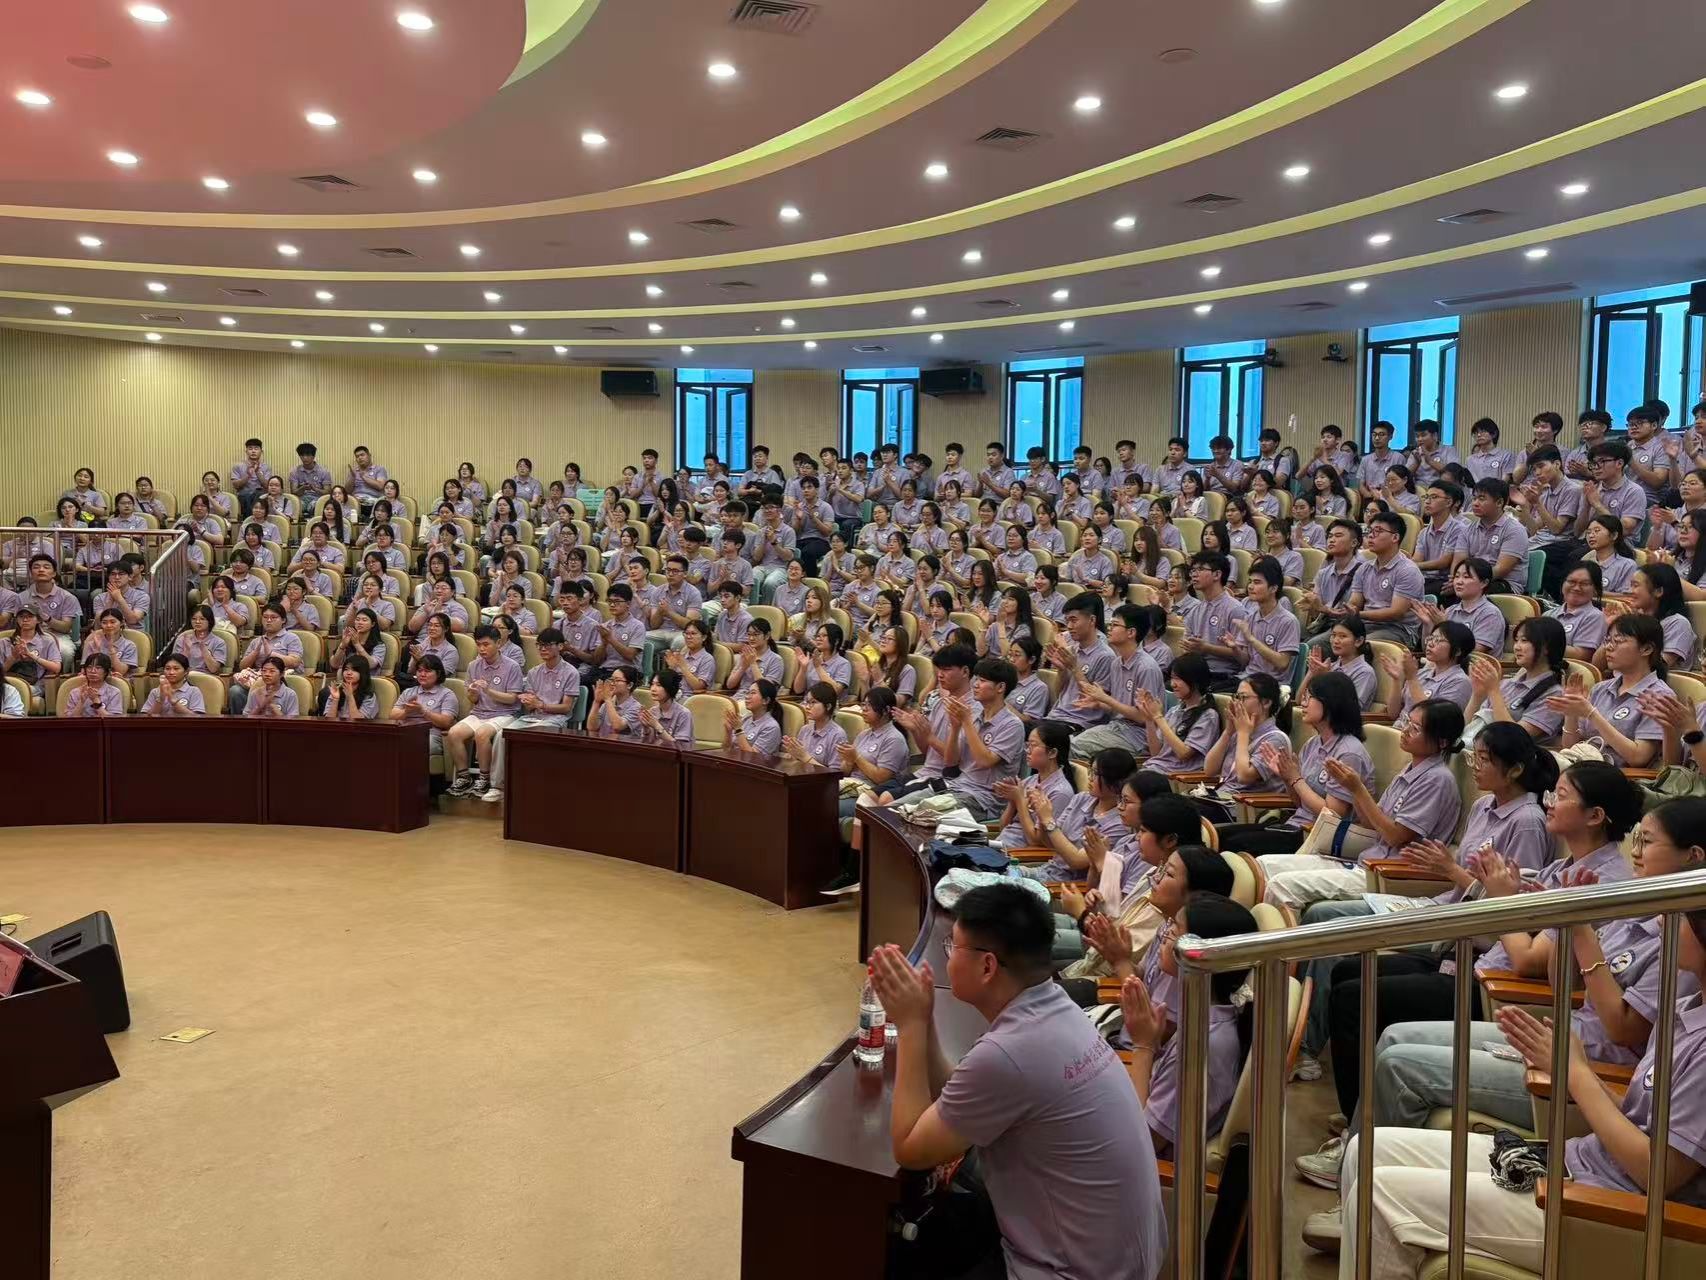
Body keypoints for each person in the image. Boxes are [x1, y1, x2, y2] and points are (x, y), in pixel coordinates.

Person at [1318, 803, 1698, 1276]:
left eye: (1681, 918)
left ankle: (1358, 1219)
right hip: (1575, 1128)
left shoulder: (1684, 999)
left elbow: (1658, 1169)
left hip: (1600, 1204)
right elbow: (1568, 990)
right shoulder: (1685, 1002)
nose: (1664, 922)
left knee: (1387, 1143)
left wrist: (1574, 1072)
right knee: (1368, 1146)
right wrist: (1569, 926)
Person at [868, 884, 1167, 1280]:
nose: (948, 956)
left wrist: (908, 1025)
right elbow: (960, 1095)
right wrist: (923, 1020)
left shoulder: (1009, 1053)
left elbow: (910, 1148)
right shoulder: (1057, 1008)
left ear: (987, 966)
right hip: (1117, 1257)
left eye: (952, 947)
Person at [1289, 719, 1559, 1088]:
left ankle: (1306, 1047)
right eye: (1475, 757)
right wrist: (1450, 872)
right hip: (1443, 905)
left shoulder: (1527, 822)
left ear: (1514, 770)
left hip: (1468, 926)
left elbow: (1510, 906)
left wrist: (1450, 870)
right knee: (1323, 917)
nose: (1475, 766)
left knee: (1334, 931)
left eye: (1484, 759)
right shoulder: (1484, 806)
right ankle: (1305, 1035)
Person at [1259, 699, 1465, 912]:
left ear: (1442, 742)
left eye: (1415, 728)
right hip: (1367, 860)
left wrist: (1358, 789)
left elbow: (1395, 836)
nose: (1404, 730)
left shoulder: (1437, 780)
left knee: (1282, 885)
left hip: (1389, 874)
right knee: (1265, 866)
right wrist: (1350, 787)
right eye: (1406, 721)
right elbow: (1369, 825)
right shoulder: (1410, 769)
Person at [1120, 892, 1258, 1156]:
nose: (1165, 935)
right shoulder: (1207, 1015)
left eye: (1175, 930)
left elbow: (1142, 1144)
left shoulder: (1200, 1044)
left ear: (1201, 954)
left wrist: (1143, 1046)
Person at [1215, 672, 1373, 855]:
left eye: (1310, 697)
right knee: (1221, 836)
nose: (1303, 703)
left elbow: (1332, 815)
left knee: (1236, 845)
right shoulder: (1313, 744)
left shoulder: (1349, 753)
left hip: (1317, 837)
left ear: (1331, 702)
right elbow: (1299, 803)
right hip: (1296, 824)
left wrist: (1295, 778)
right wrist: (1287, 778)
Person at [445, 626, 525, 796]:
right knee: (453, 733)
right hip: (479, 713)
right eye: (479, 644)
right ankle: (464, 777)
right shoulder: (473, 666)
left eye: (486, 644)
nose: (482, 649)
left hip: (505, 714)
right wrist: (472, 694)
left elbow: (512, 699)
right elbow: (473, 699)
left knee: (481, 734)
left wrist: (488, 691)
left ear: (498, 643)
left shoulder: (512, 667)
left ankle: (485, 778)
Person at [1464, 616, 1566, 744]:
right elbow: (1469, 726)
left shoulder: (1554, 694)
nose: (1517, 647)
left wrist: (1493, 691)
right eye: (1516, 640)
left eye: (1524, 640)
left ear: (1546, 647)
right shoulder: (1506, 684)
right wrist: (1477, 695)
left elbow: (1514, 739)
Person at [1386, 620, 1474, 731]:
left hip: (1421, 737)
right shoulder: (1422, 673)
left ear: (1457, 651)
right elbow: (1392, 713)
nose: (1430, 644)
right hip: (1398, 731)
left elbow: (1434, 721)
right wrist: (1396, 680)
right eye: (1431, 638)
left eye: (1438, 640)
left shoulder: (1460, 682)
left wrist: (1412, 679)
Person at [1300, 616, 1379, 711]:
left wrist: (1328, 677)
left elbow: (1350, 710)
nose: (1335, 641)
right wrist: (1311, 672)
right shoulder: (1331, 666)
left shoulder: (1364, 672)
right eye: (1333, 635)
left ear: (1358, 641)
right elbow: (1300, 700)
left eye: (1343, 636)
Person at [782, 682, 850, 768]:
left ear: (828, 706)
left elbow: (835, 773)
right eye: (807, 702)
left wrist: (804, 757)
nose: (807, 707)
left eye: (813, 702)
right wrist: (792, 753)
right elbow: (797, 761)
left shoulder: (837, 735)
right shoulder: (805, 729)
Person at [723, 678, 782, 758]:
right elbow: (726, 749)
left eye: (753, 693)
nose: (747, 697)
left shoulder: (771, 727)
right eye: (747, 693)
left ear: (765, 700)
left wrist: (738, 730)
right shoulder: (745, 719)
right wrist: (728, 731)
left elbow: (752, 758)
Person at [323, 654, 379, 722]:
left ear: (363, 673)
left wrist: (350, 697)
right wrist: (335, 699)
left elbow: (359, 722)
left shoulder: (369, 697)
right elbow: (328, 721)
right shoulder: (337, 691)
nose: (349, 673)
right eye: (346, 669)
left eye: (354, 670)